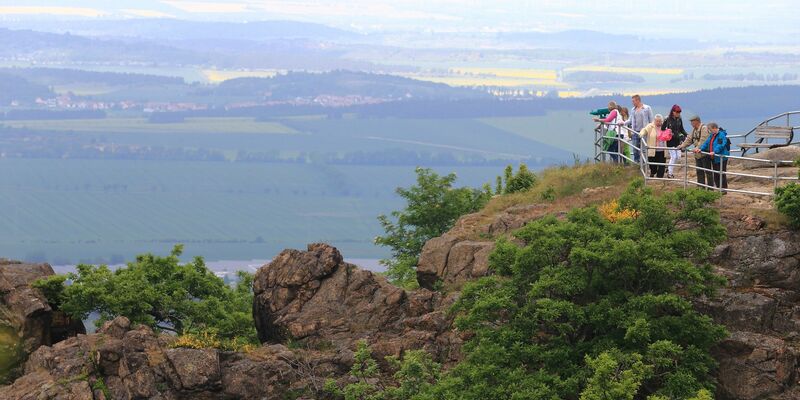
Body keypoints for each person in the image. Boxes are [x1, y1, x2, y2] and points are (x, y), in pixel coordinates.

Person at [679, 115, 713, 188]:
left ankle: (710, 188)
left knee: (707, 171)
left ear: (697, 121)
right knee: (699, 171)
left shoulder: (704, 128)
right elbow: (689, 139)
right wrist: (682, 146)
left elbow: (703, 141)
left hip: (705, 153)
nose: (691, 123)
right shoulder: (694, 130)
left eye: (692, 122)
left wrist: (697, 148)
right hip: (697, 154)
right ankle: (701, 187)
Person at [697, 122, 730, 191]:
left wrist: (715, 151)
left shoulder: (721, 135)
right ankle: (718, 188)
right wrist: (701, 148)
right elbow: (706, 143)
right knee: (716, 173)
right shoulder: (712, 135)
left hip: (721, 158)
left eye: (710, 129)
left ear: (714, 128)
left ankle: (723, 189)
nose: (709, 131)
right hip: (714, 157)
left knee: (721, 173)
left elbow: (720, 145)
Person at [624, 94, 653, 163]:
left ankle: (643, 164)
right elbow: (630, 120)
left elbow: (651, 120)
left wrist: (650, 130)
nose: (632, 103)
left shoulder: (647, 108)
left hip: (644, 132)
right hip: (635, 132)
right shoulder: (633, 110)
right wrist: (623, 123)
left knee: (643, 149)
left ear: (638, 100)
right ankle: (637, 163)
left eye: (633, 101)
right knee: (635, 149)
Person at [662, 104, 687, 178]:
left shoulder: (679, 119)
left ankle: (669, 168)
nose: (678, 114)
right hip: (670, 140)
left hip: (677, 140)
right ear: (673, 111)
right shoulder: (667, 119)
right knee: (673, 156)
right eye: (677, 112)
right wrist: (668, 132)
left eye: (679, 112)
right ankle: (670, 173)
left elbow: (681, 129)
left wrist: (687, 135)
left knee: (678, 156)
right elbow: (663, 129)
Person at [639, 114, 667, 178]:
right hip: (653, 149)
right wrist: (641, 134)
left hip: (662, 149)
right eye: (657, 121)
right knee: (652, 165)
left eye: (660, 121)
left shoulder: (665, 127)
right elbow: (645, 130)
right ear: (654, 121)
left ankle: (659, 178)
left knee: (661, 165)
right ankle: (653, 172)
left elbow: (669, 134)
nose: (658, 122)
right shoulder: (650, 126)